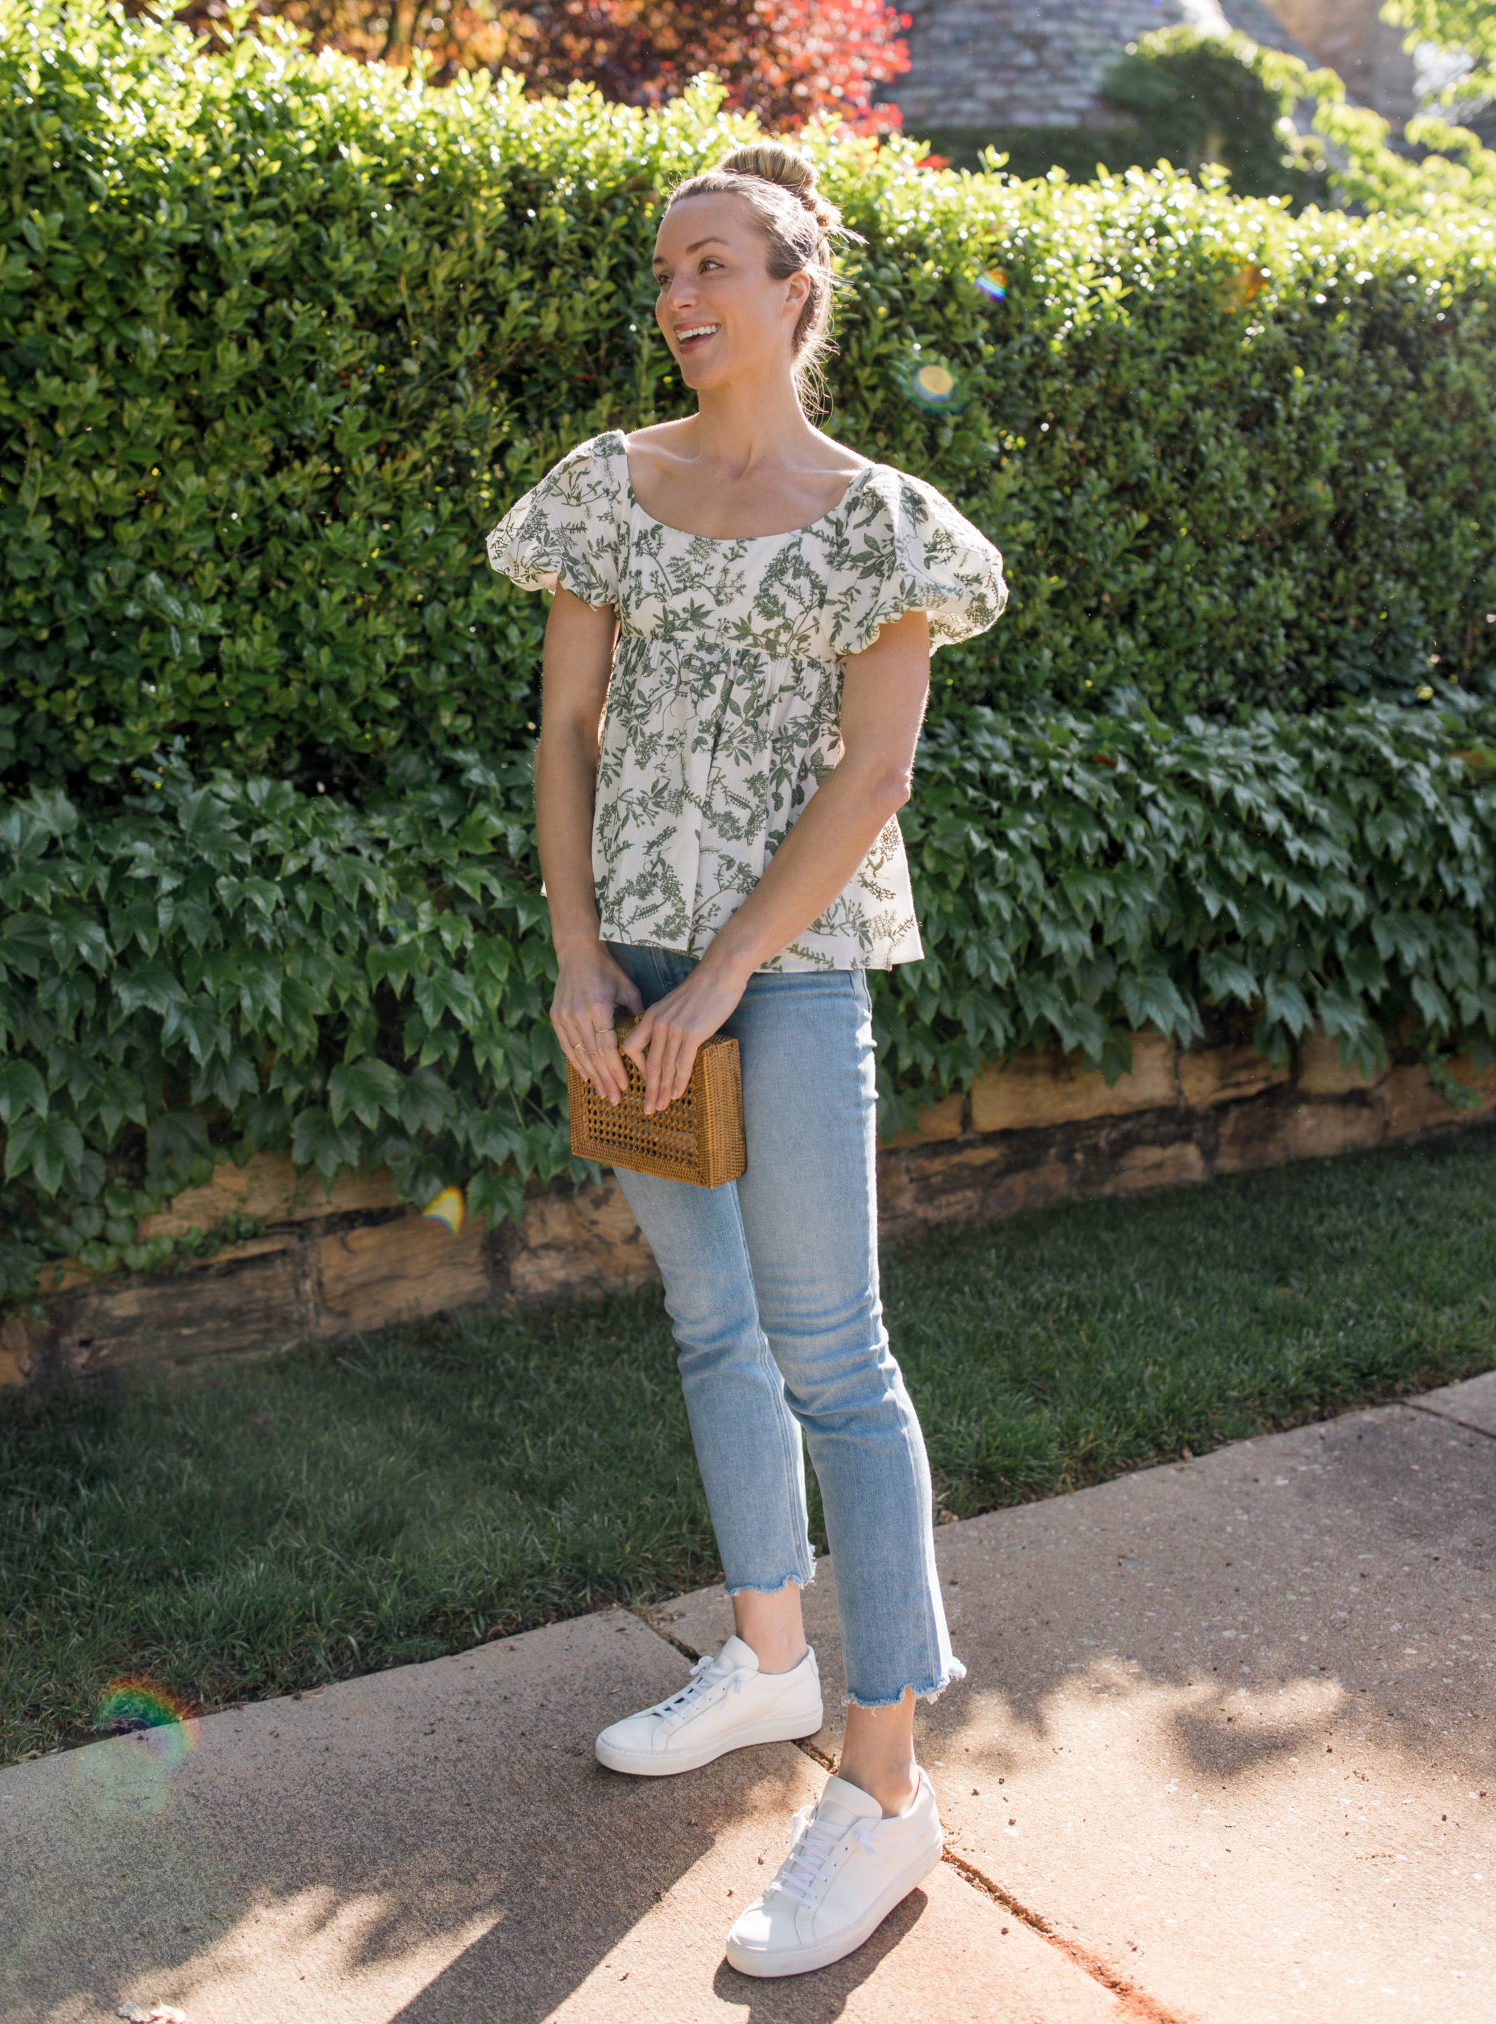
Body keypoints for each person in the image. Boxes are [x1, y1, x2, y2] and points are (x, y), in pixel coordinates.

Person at [486, 139, 1006, 1979]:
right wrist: (579, 960)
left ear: (798, 287)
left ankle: (881, 1793)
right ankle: (768, 1662)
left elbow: (872, 781)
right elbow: (564, 726)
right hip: (620, 976)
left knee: (836, 1361)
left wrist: (711, 981)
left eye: (716, 264)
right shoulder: (602, 493)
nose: (682, 299)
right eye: (663, 274)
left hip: (780, 984)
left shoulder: (885, 525)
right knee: (707, 1328)